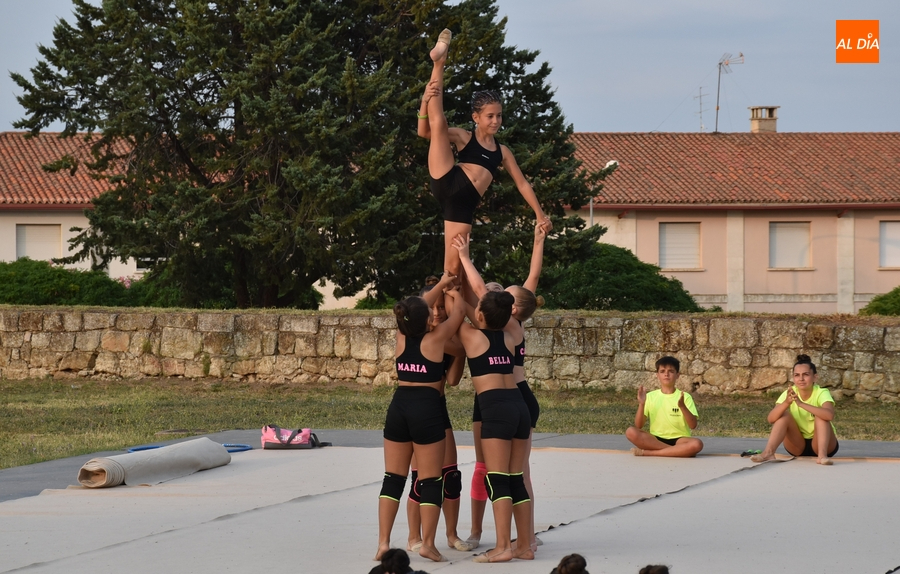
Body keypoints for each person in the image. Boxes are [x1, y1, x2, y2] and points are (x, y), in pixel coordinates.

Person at [417, 28, 551, 279]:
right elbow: (424, 132)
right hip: (447, 178)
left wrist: (539, 214)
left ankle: (446, 305)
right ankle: (439, 62)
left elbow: (522, 184)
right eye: (490, 116)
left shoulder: (502, 152)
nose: (496, 121)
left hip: (463, 204)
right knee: (439, 124)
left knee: (453, 271)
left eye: (499, 115)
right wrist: (425, 101)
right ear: (476, 117)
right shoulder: (463, 137)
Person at [452, 224, 547, 552]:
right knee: (498, 470)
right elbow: (532, 276)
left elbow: (475, 292)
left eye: (503, 293)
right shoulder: (507, 327)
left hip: (509, 398)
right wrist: (538, 240)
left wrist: (463, 258)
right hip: (504, 400)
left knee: (514, 474)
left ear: (512, 308)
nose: (499, 293)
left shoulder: (505, 324)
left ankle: (523, 537)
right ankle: (487, 532)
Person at [376, 274, 465, 563]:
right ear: (427, 318)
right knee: (430, 480)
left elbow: (414, 306)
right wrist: (453, 289)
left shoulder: (401, 336)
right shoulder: (437, 338)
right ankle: (428, 543)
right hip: (427, 409)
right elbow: (459, 314)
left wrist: (439, 284)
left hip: (399, 406)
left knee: (393, 479)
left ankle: (383, 544)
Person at [456, 289, 533, 563]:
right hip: (519, 406)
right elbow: (475, 312)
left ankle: (502, 547)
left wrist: (451, 287)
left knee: (498, 479)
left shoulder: (471, 336)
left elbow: (457, 311)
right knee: (516, 479)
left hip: (495, 409)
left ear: (480, 315)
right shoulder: (512, 336)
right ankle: (524, 546)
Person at [406, 283, 473, 553]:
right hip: (414, 411)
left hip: (438, 408)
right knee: (421, 479)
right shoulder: (414, 335)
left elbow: (453, 380)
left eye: (441, 307)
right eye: (431, 307)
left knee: (451, 476)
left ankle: (452, 534)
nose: (436, 312)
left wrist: (460, 348)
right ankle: (414, 536)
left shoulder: (448, 340)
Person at [750, 354, 839, 465]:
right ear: (793, 378)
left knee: (821, 416)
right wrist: (786, 403)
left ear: (815, 377)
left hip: (824, 444)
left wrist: (801, 404)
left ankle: (822, 456)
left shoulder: (822, 392)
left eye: (806, 374)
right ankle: (768, 453)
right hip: (797, 445)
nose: (801, 379)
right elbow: (771, 419)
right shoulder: (790, 392)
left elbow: (829, 415)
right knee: (784, 415)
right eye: (797, 375)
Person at [625, 356, 704, 458]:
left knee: (697, 444)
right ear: (657, 375)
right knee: (630, 432)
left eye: (671, 371)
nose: (666, 374)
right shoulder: (650, 396)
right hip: (655, 439)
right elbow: (638, 425)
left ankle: (649, 453)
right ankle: (676, 451)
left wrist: (683, 407)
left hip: (679, 440)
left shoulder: (685, 397)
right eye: (662, 371)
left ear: (677, 375)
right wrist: (642, 404)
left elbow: (693, 425)